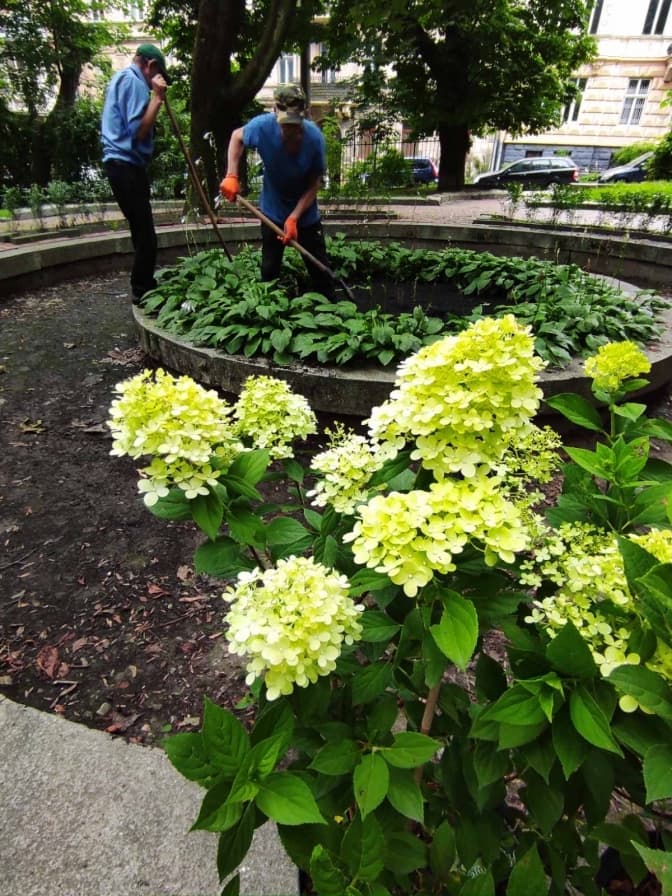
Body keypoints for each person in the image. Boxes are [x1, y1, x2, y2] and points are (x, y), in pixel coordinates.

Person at [219, 85, 335, 299]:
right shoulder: (262, 127)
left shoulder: (314, 139)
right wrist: (231, 175)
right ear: (275, 112)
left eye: (294, 125)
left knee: (320, 272)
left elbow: (315, 184)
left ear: (304, 116)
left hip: (305, 214)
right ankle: (268, 310)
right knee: (269, 270)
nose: (289, 131)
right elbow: (237, 137)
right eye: (285, 124)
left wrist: (294, 217)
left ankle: (332, 311)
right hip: (272, 210)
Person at [101, 44, 170, 303]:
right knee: (146, 235)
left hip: (122, 166)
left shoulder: (122, 78)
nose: (158, 81)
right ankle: (142, 289)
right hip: (126, 165)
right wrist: (157, 98)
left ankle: (144, 284)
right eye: (158, 74)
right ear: (150, 65)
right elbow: (138, 131)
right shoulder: (134, 82)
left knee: (141, 231)